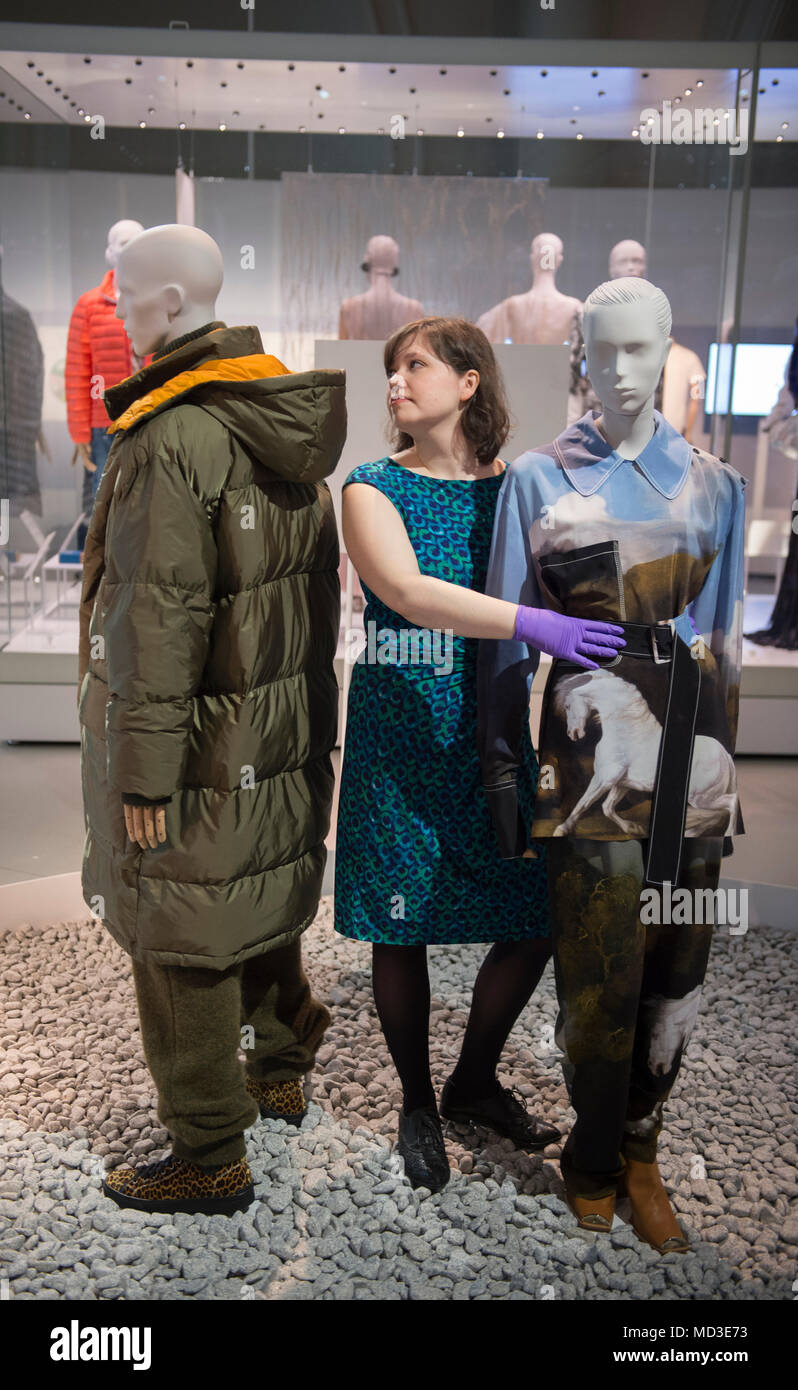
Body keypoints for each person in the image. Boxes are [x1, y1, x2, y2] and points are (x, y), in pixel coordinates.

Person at [78, 224, 345, 1216]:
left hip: (193, 736)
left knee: (180, 928)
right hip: (272, 726)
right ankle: (280, 1064)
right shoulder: (279, 410)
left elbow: (159, 616)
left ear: (169, 307)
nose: (117, 304)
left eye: (128, 292)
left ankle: (208, 1151)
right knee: (254, 886)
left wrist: (144, 771)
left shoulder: (171, 435)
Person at [478, 279, 746, 1252]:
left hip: (694, 732)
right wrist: (504, 767)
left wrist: (729, 766)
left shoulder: (714, 484)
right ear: (581, 354)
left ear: (672, 349)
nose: (623, 371)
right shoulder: (539, 479)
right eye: (605, 350)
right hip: (586, 737)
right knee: (599, 957)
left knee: (682, 952)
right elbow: (504, 632)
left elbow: (727, 642)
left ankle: (643, 1146)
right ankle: (591, 1153)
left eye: (643, 349)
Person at [335, 316, 625, 1193]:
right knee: (402, 920)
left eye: (414, 365)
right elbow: (407, 591)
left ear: (469, 382)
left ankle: (473, 1079)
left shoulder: (522, 489)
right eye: (391, 369)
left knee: (532, 912)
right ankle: (417, 1102)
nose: (395, 381)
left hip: (494, 730)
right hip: (401, 732)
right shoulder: (368, 486)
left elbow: (584, 571)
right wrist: (536, 623)